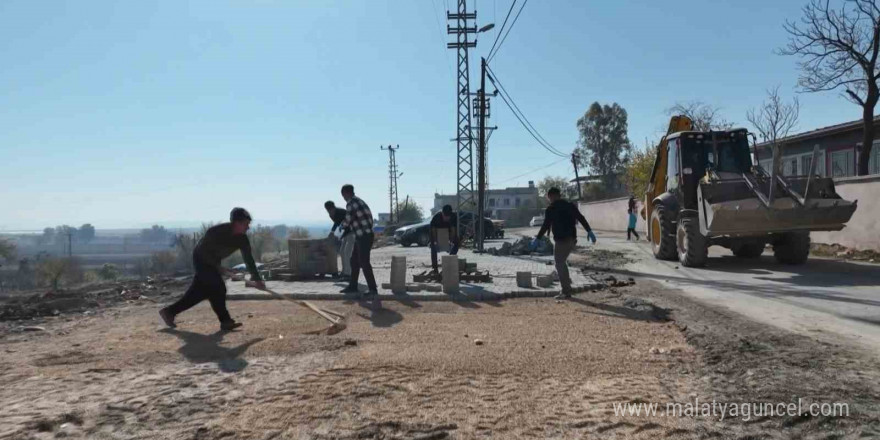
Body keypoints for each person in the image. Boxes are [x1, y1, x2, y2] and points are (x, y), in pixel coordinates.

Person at [159, 207, 265, 331]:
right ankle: (225, 321)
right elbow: (203, 252)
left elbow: (249, 260)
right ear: (237, 223)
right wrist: (218, 267)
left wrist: (257, 279)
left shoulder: (242, 239)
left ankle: (169, 312)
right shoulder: (215, 232)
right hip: (201, 259)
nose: (248, 227)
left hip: (214, 261)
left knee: (201, 292)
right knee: (218, 287)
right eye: (246, 224)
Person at [536, 187, 596, 299]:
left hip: (561, 241)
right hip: (572, 240)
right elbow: (581, 218)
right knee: (562, 262)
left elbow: (546, 225)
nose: (549, 199)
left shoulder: (551, 209)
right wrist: (589, 231)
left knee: (559, 263)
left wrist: (538, 238)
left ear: (552, 196)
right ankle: (567, 287)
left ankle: (566, 291)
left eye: (549, 197)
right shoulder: (570, 205)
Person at [338, 184, 378, 298]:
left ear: (346, 193)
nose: (343, 197)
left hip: (363, 236)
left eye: (343, 195)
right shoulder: (359, 201)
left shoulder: (351, 203)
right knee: (354, 261)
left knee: (364, 262)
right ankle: (353, 286)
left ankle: (373, 289)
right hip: (363, 235)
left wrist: (342, 226)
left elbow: (348, 220)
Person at [325, 201, 353, 280]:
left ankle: (349, 274)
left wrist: (332, 232)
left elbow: (337, 223)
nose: (330, 211)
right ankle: (344, 272)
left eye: (331, 209)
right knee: (342, 251)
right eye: (328, 210)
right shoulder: (331, 214)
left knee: (347, 252)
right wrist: (337, 235)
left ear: (334, 207)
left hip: (352, 231)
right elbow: (339, 226)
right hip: (345, 233)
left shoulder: (339, 212)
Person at [429, 204, 460, 272]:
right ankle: (435, 268)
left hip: (448, 233)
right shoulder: (436, 218)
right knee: (433, 246)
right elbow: (433, 231)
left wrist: (451, 242)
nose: (446, 218)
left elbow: (453, 230)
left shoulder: (453, 217)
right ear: (442, 213)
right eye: (445, 216)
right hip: (437, 233)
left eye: (448, 216)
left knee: (457, 242)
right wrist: (435, 242)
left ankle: (449, 262)